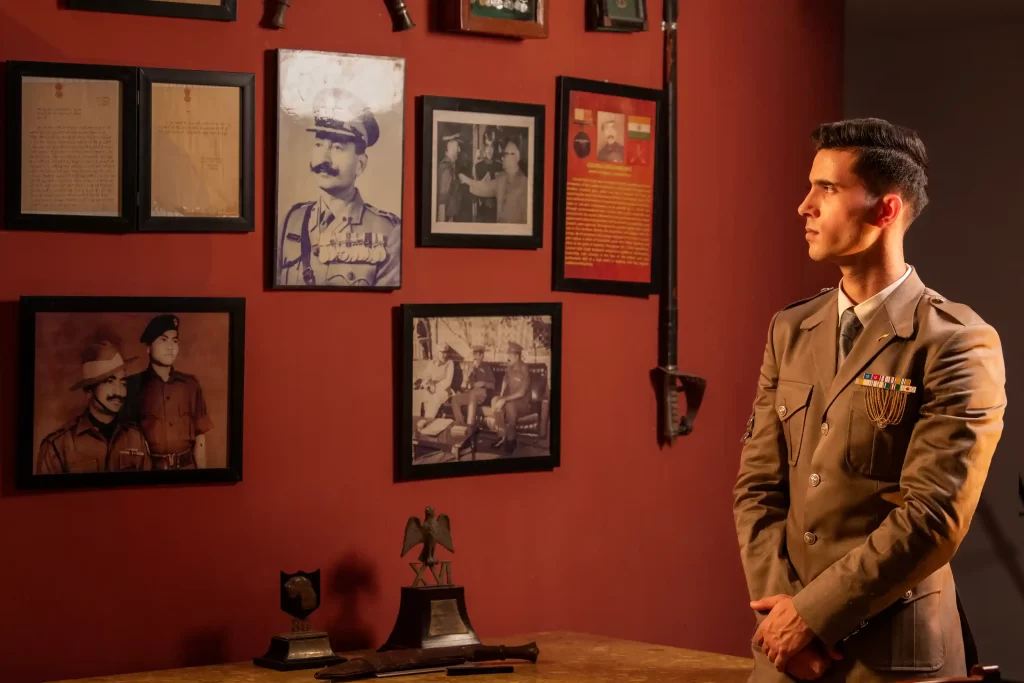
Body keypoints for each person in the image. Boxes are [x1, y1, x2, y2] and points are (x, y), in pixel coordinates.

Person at [733, 118, 1006, 683]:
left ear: (886, 211)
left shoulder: (956, 341)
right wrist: (780, 618)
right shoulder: (791, 329)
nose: (805, 206)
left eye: (827, 189)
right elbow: (757, 488)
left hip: (892, 660)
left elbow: (932, 518)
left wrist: (811, 618)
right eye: (810, 187)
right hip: (783, 655)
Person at [278, 88, 401, 288]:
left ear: (360, 164)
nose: (324, 159)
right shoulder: (291, 220)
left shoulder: (388, 231)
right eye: (319, 145)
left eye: (337, 148)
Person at [36, 341, 150, 474]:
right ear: (89, 390)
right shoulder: (58, 446)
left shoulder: (136, 438)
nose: (119, 392)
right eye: (109, 382)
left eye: (123, 383)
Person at [123, 315, 213, 470]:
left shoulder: (191, 385)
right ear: (148, 347)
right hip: (148, 470)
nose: (170, 347)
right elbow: (124, 440)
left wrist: (202, 476)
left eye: (175, 341)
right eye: (163, 340)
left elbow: (200, 438)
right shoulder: (133, 385)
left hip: (186, 469)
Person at [458, 138, 529, 224]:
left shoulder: (525, 184)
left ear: (517, 156)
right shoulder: (501, 179)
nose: (502, 158)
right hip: (485, 213)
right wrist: (466, 180)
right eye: (502, 155)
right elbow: (485, 187)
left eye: (505, 154)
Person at [491, 341, 533, 455]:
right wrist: (501, 396)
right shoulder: (509, 367)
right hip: (511, 398)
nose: (508, 357)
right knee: (494, 400)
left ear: (517, 356)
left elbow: (522, 392)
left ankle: (510, 440)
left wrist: (505, 399)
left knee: (509, 405)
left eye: (510, 355)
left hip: (523, 402)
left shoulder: (524, 368)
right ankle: (502, 436)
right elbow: (505, 380)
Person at [450, 345, 497, 429]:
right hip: (470, 393)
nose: (474, 357)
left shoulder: (486, 367)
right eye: (473, 354)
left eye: (476, 354)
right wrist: (467, 376)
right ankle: (460, 424)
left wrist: (483, 383)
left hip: (482, 393)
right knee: (455, 399)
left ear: (482, 356)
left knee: (473, 394)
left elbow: (492, 385)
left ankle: (470, 426)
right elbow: (464, 387)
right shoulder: (470, 367)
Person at [413, 346, 455, 420]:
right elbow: (424, 375)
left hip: (444, 390)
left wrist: (434, 386)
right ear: (437, 352)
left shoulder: (449, 363)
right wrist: (423, 382)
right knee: (416, 395)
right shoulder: (432, 362)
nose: (444, 355)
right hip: (430, 388)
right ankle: (416, 420)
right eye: (442, 353)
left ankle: (427, 421)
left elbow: (448, 381)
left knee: (434, 398)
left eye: (446, 353)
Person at [472, 133, 502, 223]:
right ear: (483, 149)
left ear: (494, 149)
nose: (489, 150)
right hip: (482, 210)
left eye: (491, 147)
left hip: (497, 209)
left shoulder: (500, 166)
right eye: (487, 146)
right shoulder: (478, 166)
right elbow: (475, 190)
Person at [437, 132, 464, 222]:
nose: (459, 150)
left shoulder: (451, 166)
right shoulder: (446, 167)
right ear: (450, 147)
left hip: (450, 217)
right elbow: (442, 197)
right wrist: (441, 221)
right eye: (457, 146)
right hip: (446, 218)